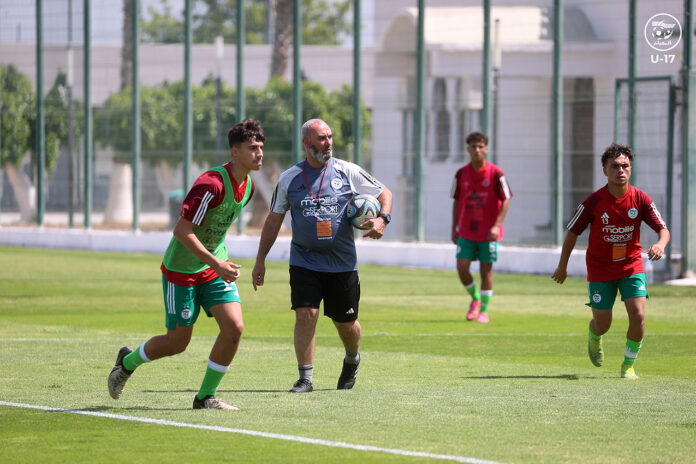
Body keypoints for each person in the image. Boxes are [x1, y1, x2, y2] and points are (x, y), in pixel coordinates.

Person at [107, 118, 265, 409]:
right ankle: (126, 362)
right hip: (182, 271)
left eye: (261, 147)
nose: (259, 153)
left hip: (213, 267)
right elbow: (182, 230)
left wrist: (217, 263)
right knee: (177, 343)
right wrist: (216, 262)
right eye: (252, 148)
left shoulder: (249, 187)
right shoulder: (212, 185)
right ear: (234, 152)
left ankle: (205, 398)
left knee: (234, 327)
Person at [251, 118, 393, 393]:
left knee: (346, 323)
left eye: (329, 137)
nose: (327, 143)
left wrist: (382, 220)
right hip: (304, 260)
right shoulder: (289, 178)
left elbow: (384, 192)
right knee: (306, 314)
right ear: (306, 143)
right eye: (321, 138)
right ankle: (306, 378)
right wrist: (260, 260)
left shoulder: (347, 171)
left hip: (342, 263)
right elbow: (273, 220)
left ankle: (352, 358)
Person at [552, 143, 669, 379]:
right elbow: (572, 232)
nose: (620, 170)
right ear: (605, 170)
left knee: (638, 315)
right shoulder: (594, 201)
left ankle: (628, 365)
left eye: (625, 165)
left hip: (631, 265)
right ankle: (595, 335)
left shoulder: (640, 198)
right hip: (600, 269)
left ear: (631, 168)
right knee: (603, 323)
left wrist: (660, 244)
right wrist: (562, 266)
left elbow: (663, 229)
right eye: (614, 166)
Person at [450, 132, 512, 323]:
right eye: (473, 147)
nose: (477, 150)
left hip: (488, 233)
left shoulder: (496, 173)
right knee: (462, 267)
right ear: (468, 149)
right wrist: (454, 227)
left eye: (480, 146)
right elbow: (456, 200)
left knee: (486, 271)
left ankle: (484, 310)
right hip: (467, 230)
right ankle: (476, 299)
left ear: (486, 148)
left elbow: (506, 199)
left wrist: (497, 225)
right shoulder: (461, 174)